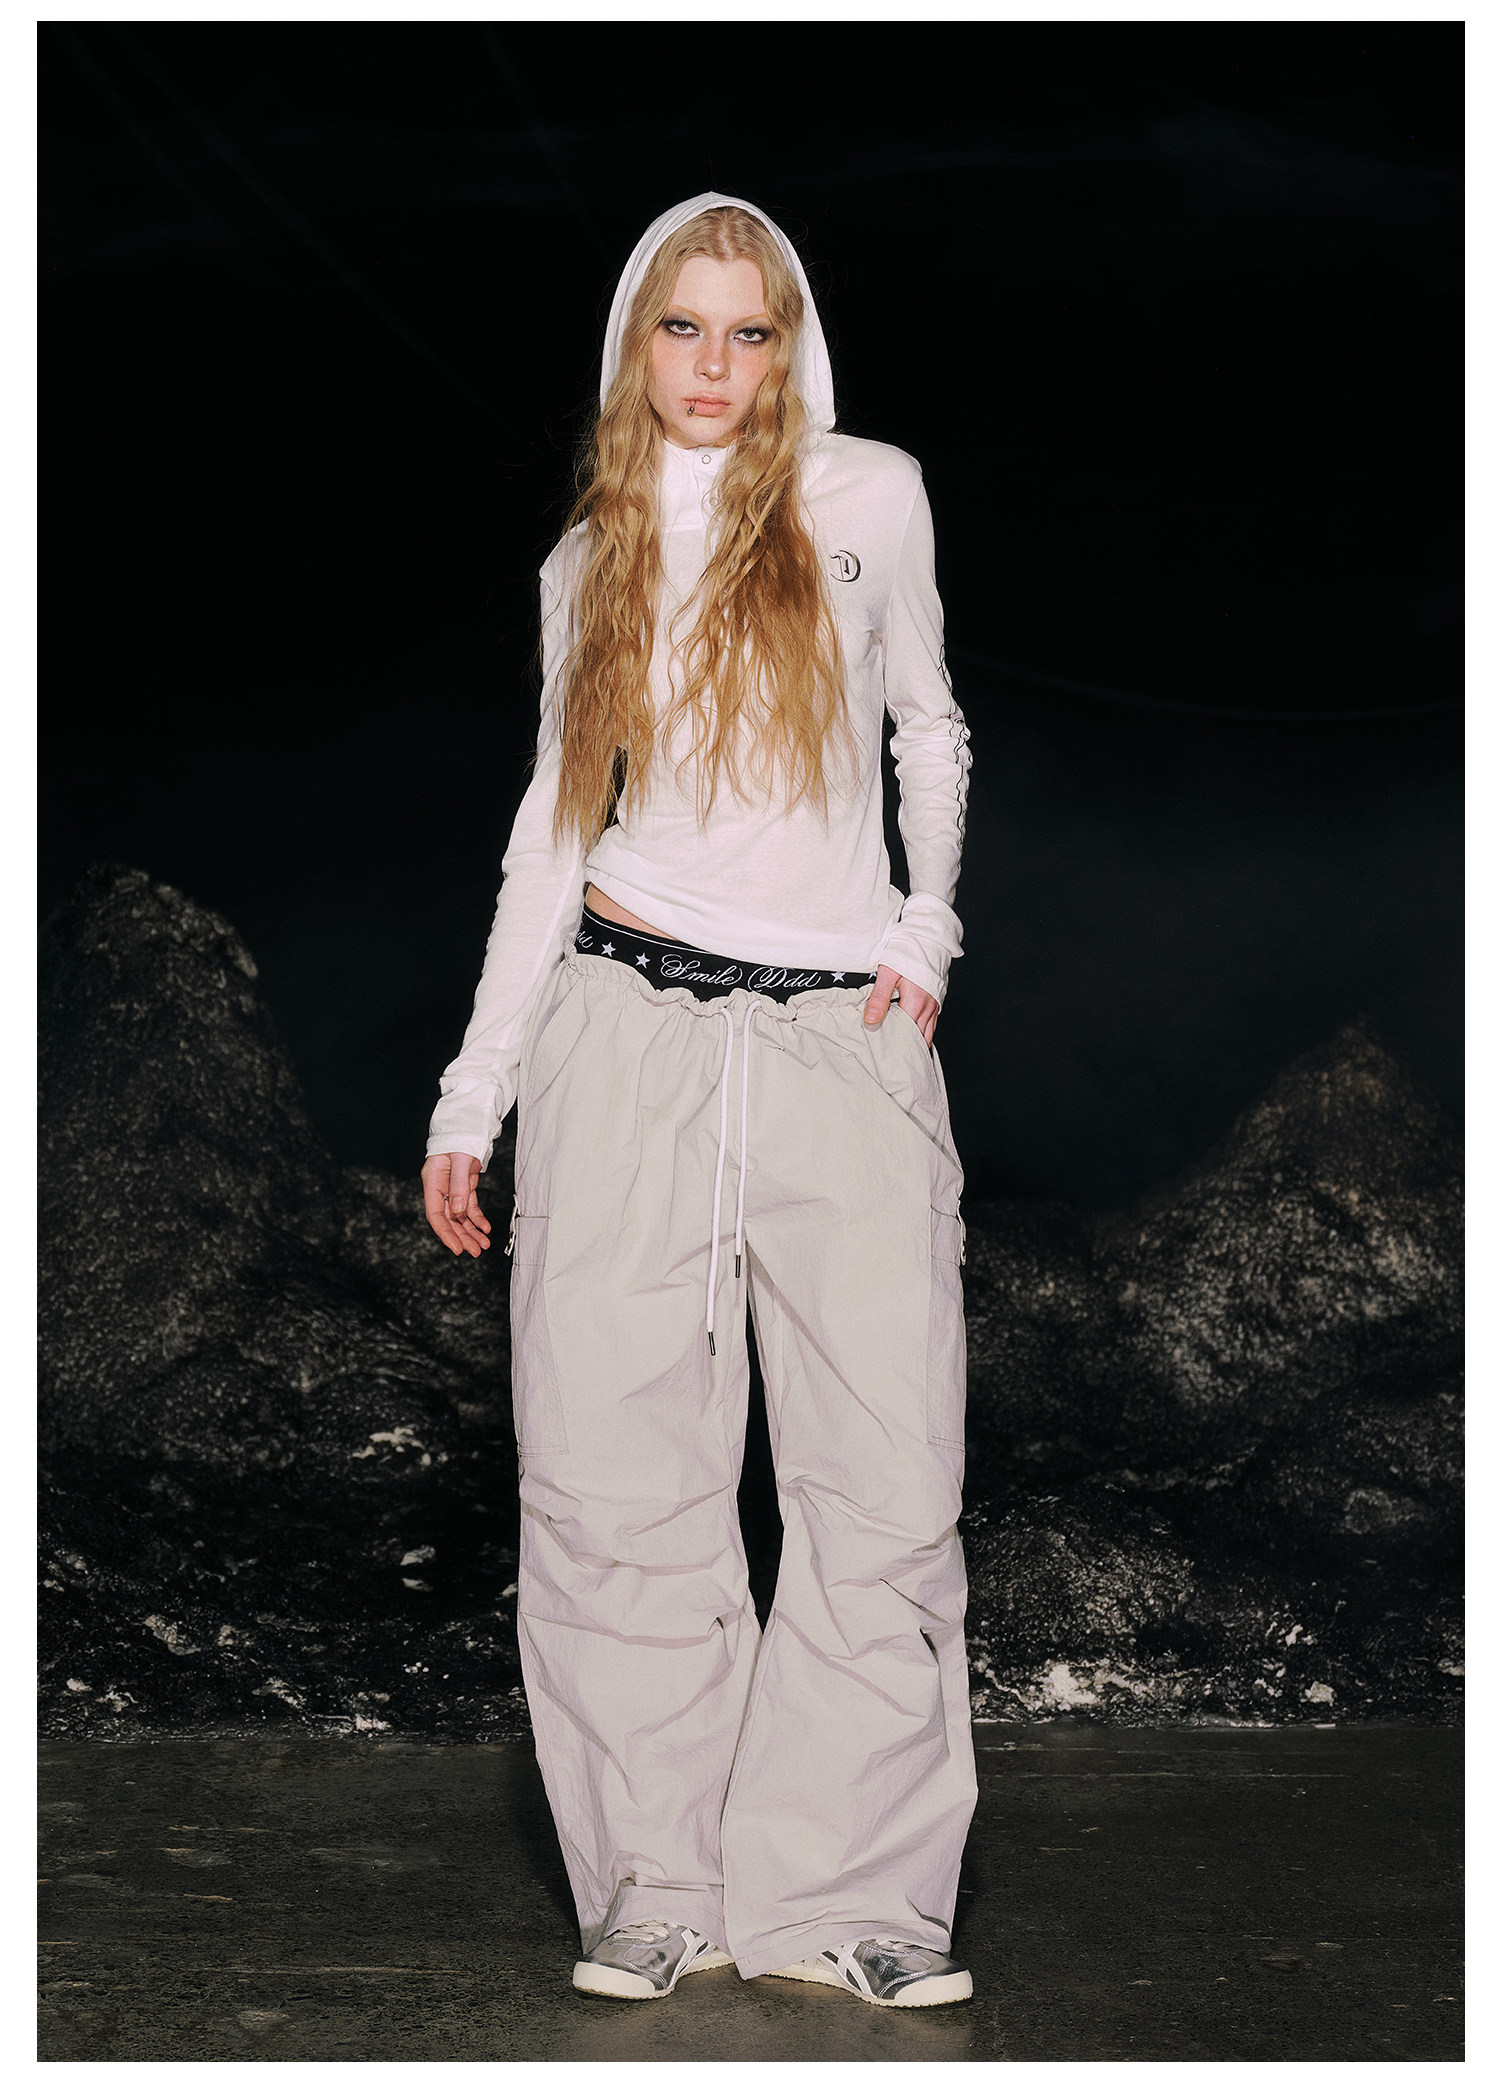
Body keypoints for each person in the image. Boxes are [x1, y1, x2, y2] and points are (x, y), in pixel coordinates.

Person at [421, 193, 976, 2011]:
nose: (717, 366)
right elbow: (551, 829)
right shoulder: (590, 553)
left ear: (790, 345)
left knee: (884, 1477)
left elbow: (928, 724)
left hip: (839, 1043)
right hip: (625, 1029)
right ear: (633, 345)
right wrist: (474, 1094)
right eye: (685, 328)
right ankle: (659, 1882)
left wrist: (927, 926)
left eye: (752, 332)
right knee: (611, 1477)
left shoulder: (869, 495)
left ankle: (852, 1896)